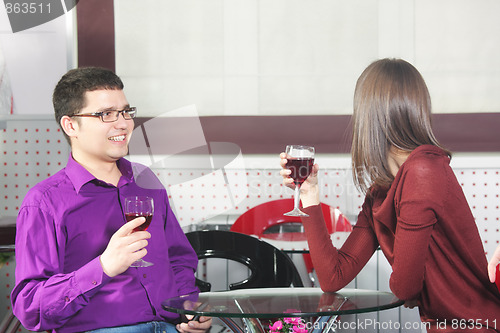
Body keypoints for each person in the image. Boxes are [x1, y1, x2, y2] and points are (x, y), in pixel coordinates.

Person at [280, 58, 500, 331]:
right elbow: (333, 276)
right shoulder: (381, 193)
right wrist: (310, 193)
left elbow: (404, 286)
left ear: (368, 117)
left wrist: (412, 288)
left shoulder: (423, 171)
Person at [11, 67, 212, 333]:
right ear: (71, 125)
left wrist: (189, 308)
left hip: (169, 326)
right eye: (106, 114)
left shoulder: (145, 180)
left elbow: (178, 258)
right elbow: (30, 308)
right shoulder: (44, 202)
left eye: (125, 112)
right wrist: (103, 266)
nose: (123, 123)